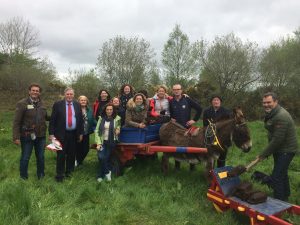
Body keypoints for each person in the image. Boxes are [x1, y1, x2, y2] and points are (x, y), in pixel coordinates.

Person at [256, 92, 298, 201]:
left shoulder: (281, 116)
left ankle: (279, 203)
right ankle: (285, 196)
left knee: (276, 177)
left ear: (276, 102)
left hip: (286, 150)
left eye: (269, 102)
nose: (266, 105)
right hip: (280, 149)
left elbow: (277, 140)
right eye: (264, 103)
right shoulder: (273, 113)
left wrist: (263, 154)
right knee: (282, 173)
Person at [13, 83, 48, 180]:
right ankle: (23, 177)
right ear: (29, 91)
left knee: (41, 157)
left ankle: (41, 176)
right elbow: (16, 121)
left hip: (41, 136)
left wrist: (58, 117)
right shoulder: (22, 103)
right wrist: (16, 137)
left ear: (39, 93)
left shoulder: (43, 104)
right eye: (33, 90)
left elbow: (46, 117)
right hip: (27, 135)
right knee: (25, 157)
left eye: (37, 91)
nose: (35, 92)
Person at [49, 87, 84, 182]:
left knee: (72, 154)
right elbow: (52, 120)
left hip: (73, 134)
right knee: (61, 155)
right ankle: (59, 176)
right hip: (60, 134)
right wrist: (51, 134)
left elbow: (80, 120)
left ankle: (69, 173)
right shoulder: (58, 105)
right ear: (65, 95)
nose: (69, 96)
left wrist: (80, 133)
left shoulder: (77, 105)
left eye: (71, 94)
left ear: (74, 95)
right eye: (68, 94)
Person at [95, 103, 121, 182]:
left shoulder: (117, 118)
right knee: (101, 157)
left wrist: (118, 129)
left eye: (111, 109)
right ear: (105, 110)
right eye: (107, 109)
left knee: (105, 158)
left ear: (113, 110)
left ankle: (100, 175)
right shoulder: (101, 118)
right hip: (102, 141)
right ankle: (107, 172)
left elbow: (118, 126)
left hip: (111, 141)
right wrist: (98, 143)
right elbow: (96, 130)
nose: (109, 111)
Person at [202, 95, 231, 168]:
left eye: (217, 100)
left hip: (223, 138)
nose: (216, 102)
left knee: (222, 156)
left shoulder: (226, 112)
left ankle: (221, 171)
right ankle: (210, 172)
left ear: (220, 102)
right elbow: (205, 125)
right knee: (210, 155)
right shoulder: (206, 111)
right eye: (214, 100)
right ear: (211, 102)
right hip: (210, 137)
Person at [75, 95, 96, 166]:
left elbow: (93, 120)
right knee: (78, 148)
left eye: (85, 100)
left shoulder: (89, 110)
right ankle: (77, 161)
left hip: (86, 132)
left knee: (86, 149)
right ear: (78, 101)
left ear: (87, 102)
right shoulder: (75, 109)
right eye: (82, 100)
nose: (83, 101)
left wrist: (98, 126)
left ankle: (78, 160)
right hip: (77, 132)